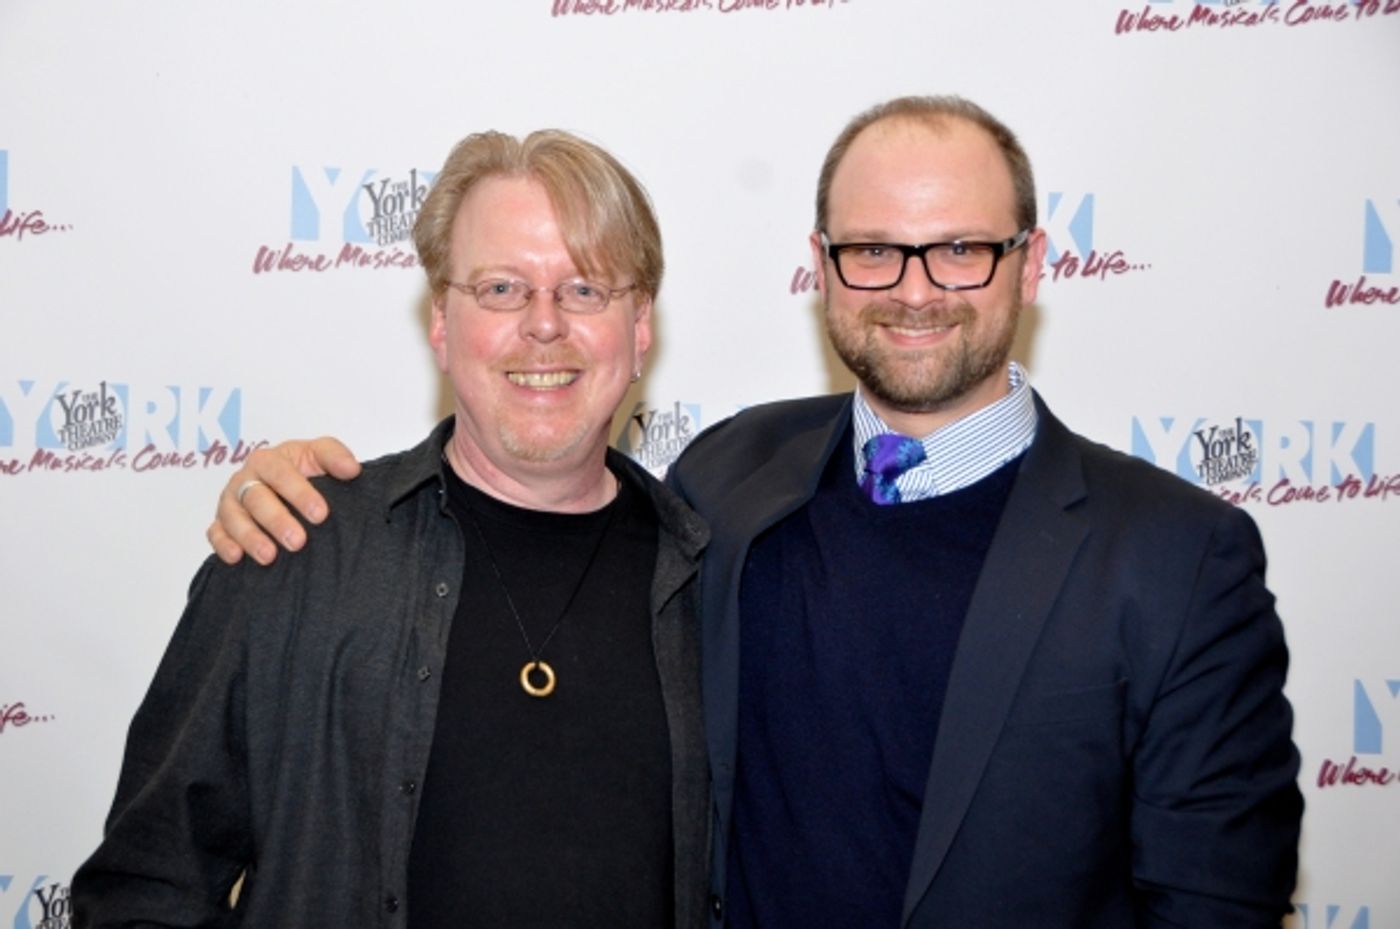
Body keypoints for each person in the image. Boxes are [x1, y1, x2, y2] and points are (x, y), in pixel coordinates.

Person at [207, 96, 1303, 928]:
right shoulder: (730, 477)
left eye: (960, 248)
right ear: (820, 267)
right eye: (872, 249)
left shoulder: (1174, 557)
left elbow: (1212, 901)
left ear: (1029, 264)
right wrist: (301, 485)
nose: (914, 288)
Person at [73, 129, 711, 929]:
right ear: (441, 320)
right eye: (503, 289)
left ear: (640, 325)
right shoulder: (294, 549)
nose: (544, 325)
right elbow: (144, 890)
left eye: (585, 289)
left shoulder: (711, 581)